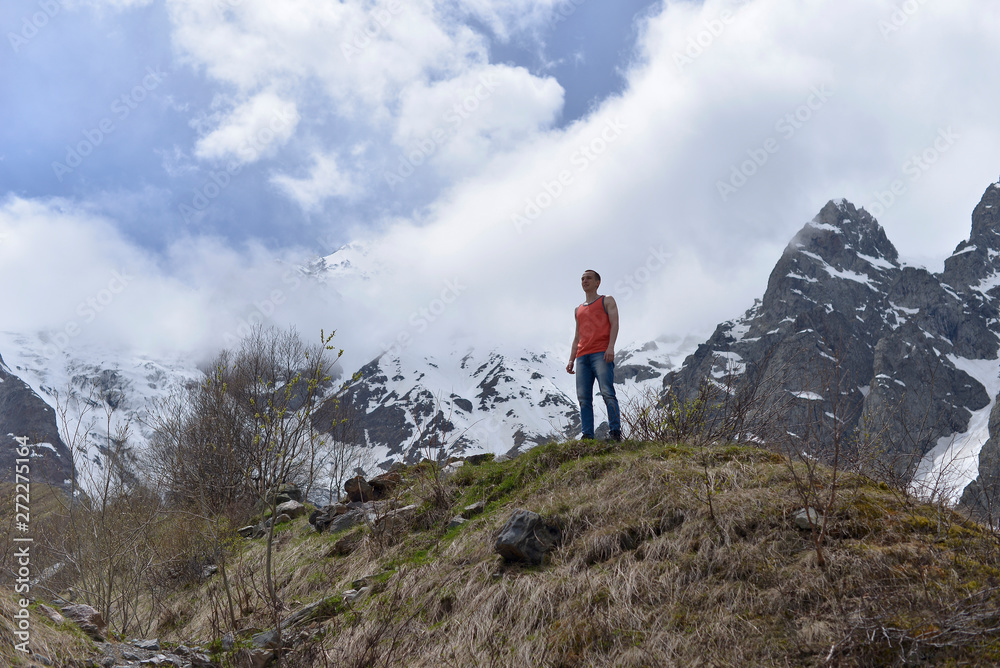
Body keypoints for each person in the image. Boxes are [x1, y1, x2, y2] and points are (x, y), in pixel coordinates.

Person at [566, 269, 622, 441]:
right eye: (582, 279)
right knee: (583, 398)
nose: (584, 281)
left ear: (598, 282)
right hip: (582, 357)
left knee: (607, 392)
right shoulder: (578, 310)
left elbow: (615, 324)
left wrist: (611, 347)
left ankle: (615, 432)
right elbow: (577, 336)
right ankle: (587, 436)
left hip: (601, 353)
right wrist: (571, 358)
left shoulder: (607, 300)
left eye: (588, 278)